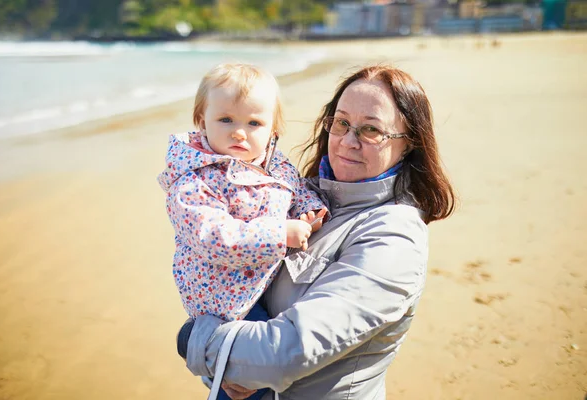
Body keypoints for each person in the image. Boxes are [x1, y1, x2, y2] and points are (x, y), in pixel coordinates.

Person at [180, 65, 456, 400]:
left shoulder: (393, 238)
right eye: (341, 123)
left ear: (409, 143)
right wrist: (224, 373)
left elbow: (288, 352)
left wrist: (194, 339)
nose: (347, 142)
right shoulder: (297, 196)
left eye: (371, 130)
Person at [158, 63, 328, 400]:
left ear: (273, 129)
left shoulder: (274, 164)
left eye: (254, 123)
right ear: (200, 120)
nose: (239, 133)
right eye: (226, 120)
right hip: (225, 302)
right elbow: (217, 239)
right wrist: (281, 234)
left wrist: (308, 206)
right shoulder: (194, 180)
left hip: (263, 284)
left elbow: (293, 188)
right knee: (246, 381)